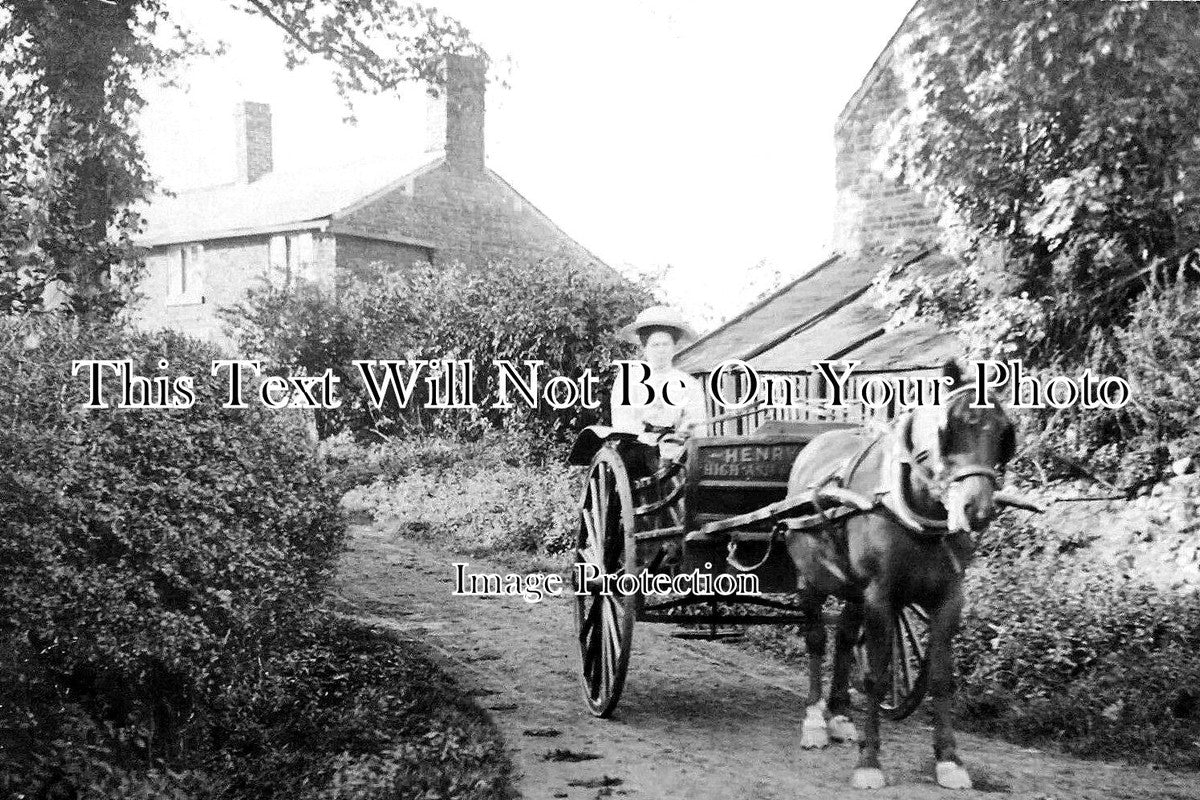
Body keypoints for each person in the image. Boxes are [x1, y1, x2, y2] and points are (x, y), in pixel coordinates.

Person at [610, 305, 708, 462]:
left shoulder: (689, 384)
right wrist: (646, 439)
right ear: (644, 348)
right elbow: (623, 420)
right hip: (638, 450)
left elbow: (698, 425)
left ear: (674, 347)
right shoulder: (629, 378)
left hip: (678, 450)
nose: (661, 350)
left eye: (666, 344)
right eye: (655, 345)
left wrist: (685, 432)